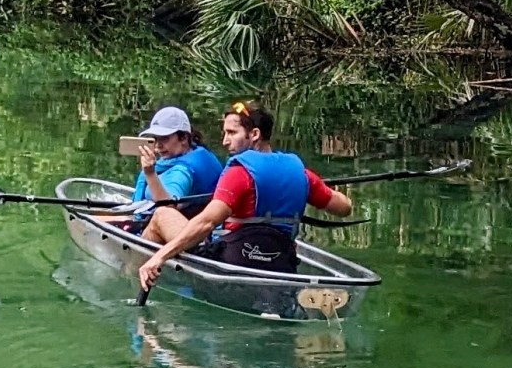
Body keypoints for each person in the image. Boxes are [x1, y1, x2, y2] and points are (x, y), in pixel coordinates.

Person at [137, 100, 353, 286]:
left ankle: (132, 270)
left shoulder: (239, 173)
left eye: (232, 133)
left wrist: (159, 257)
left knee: (162, 214)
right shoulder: (302, 174)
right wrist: (304, 185)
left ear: (255, 134)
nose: (224, 141)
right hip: (281, 263)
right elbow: (344, 208)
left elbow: (206, 223)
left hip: (231, 263)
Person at [128, 107, 223, 243]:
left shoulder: (183, 172)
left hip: (182, 235)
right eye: (155, 139)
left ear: (184, 138)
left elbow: (168, 208)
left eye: (165, 139)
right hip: (199, 230)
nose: (158, 146)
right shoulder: (196, 153)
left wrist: (150, 173)